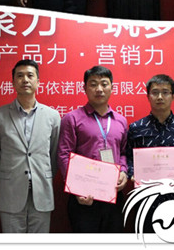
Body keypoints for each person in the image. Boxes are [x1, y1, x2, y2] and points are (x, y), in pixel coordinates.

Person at [0, 59, 61, 233]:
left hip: (41, 191)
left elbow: (54, 154)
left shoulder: (53, 116)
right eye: (20, 76)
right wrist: (5, 180)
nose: (25, 80)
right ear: (13, 82)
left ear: (38, 81)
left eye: (30, 75)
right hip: (9, 191)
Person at [57, 65, 128, 233]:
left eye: (104, 84)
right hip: (84, 197)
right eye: (93, 84)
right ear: (85, 88)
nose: (99, 89)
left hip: (113, 194)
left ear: (112, 87)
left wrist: (124, 172)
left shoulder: (121, 121)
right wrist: (76, 188)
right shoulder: (72, 118)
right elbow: (64, 155)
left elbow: (124, 152)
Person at [126, 74, 174, 233]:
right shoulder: (136, 128)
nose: (160, 97)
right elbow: (128, 157)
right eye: (155, 92)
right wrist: (132, 173)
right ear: (148, 96)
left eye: (165, 92)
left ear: (173, 96)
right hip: (146, 198)